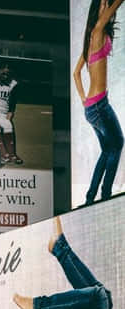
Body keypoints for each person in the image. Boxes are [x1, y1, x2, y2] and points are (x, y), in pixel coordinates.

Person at [73, 0, 125, 205]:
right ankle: (105, 195)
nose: (106, 7)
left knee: (107, 150)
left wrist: (84, 99)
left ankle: (90, 197)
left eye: (107, 3)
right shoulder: (96, 30)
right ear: (97, 9)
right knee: (118, 143)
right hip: (99, 106)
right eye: (103, 3)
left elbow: (76, 73)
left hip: (93, 107)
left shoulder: (93, 38)